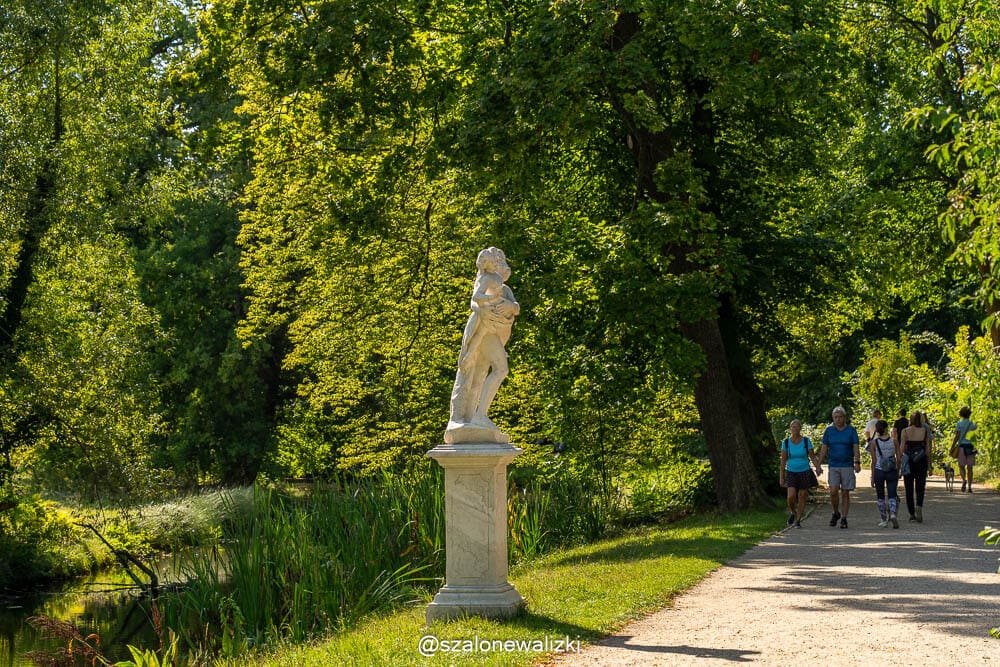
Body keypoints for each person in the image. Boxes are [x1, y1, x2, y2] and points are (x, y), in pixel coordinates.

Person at [448, 247, 520, 430]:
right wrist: (482, 309)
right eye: (498, 261)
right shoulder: (488, 280)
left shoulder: (504, 288)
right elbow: (475, 300)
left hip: (496, 331)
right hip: (486, 328)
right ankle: (478, 416)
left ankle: (471, 417)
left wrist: (511, 307)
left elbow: (515, 306)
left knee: (479, 374)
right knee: (499, 369)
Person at [819, 406, 861, 529]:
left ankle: (844, 517)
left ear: (844, 418)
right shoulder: (829, 431)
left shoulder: (851, 430)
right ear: (833, 418)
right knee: (833, 491)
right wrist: (819, 464)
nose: (837, 419)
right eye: (835, 417)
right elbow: (824, 448)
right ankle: (836, 512)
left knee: (845, 492)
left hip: (847, 465)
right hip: (833, 465)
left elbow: (855, 447)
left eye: (840, 417)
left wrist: (857, 462)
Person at [779, 419, 823, 528]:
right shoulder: (786, 443)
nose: (795, 429)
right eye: (793, 427)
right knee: (791, 496)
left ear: (800, 428)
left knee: (802, 495)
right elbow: (783, 461)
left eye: (797, 426)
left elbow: (812, 456)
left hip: (804, 471)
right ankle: (793, 512)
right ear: (790, 429)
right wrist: (781, 477)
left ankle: (798, 520)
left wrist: (818, 467)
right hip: (791, 472)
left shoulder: (806, 441)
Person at [870, 420, 900, 528]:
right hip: (892, 470)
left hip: (879, 470)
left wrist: (872, 477)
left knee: (880, 496)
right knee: (892, 494)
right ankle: (892, 513)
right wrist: (898, 469)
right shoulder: (894, 441)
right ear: (886, 428)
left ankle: (883, 519)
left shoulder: (874, 442)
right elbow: (899, 457)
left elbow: (873, 460)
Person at [901, 411, 930, 522]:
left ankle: (912, 513)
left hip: (909, 461)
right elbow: (927, 449)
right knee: (920, 486)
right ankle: (919, 505)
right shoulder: (925, 431)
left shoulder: (905, 431)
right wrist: (929, 463)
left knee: (908, 488)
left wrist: (899, 462)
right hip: (921, 460)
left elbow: (902, 448)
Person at [952, 406, 978, 493]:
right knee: (970, 468)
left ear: (961, 414)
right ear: (969, 414)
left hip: (962, 447)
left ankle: (964, 480)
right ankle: (970, 487)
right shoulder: (972, 424)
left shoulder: (959, 423)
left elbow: (957, 436)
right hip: (970, 447)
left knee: (961, 466)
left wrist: (953, 446)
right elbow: (975, 435)